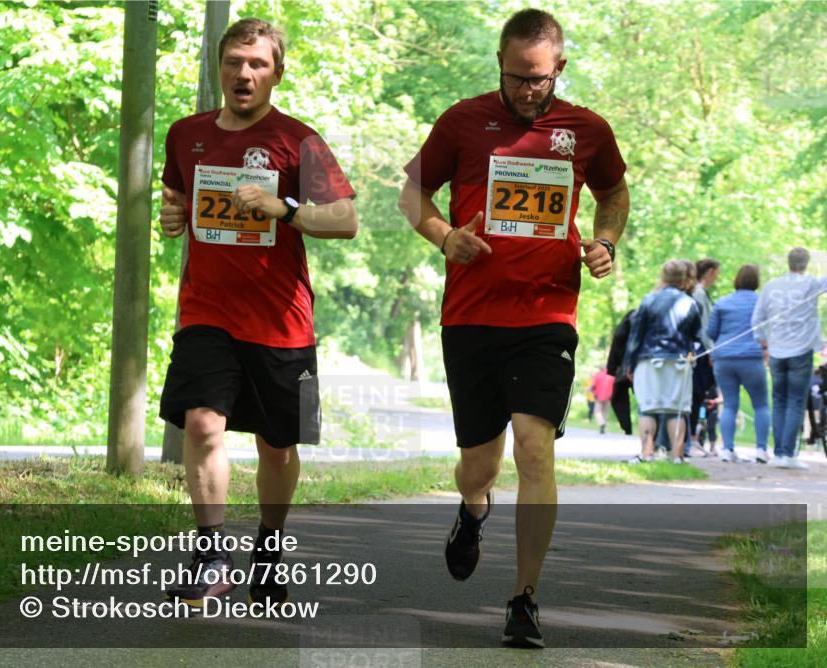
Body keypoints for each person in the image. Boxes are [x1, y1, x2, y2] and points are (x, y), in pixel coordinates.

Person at [398, 8, 629, 649]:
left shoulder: (587, 130)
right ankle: (474, 511)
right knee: (480, 465)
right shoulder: (463, 122)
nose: (528, 91)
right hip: (471, 316)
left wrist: (605, 239)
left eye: (539, 79)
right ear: (499, 66)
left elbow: (613, 194)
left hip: (546, 316)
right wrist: (446, 236)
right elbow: (411, 194)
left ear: (559, 68)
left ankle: (524, 598)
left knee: (535, 445)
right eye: (516, 78)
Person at [157, 18, 358, 609]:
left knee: (278, 445)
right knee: (201, 424)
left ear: (277, 72)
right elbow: (178, 201)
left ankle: (268, 550)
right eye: (234, 62)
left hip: (280, 319)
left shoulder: (299, 141)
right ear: (219, 67)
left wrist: (284, 207)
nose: (244, 74)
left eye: (258, 64)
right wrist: (172, 218)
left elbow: (344, 220)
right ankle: (211, 553)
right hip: (206, 311)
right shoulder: (185, 134)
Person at [753, 248, 827, 469]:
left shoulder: (771, 286)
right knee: (795, 401)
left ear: (788, 262)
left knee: (780, 401)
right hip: (801, 351)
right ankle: (787, 454)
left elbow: (757, 318)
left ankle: (779, 453)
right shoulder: (811, 284)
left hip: (776, 351)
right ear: (805, 263)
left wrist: (763, 342)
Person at [623, 260, 702, 464]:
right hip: (679, 361)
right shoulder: (690, 303)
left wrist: (628, 364)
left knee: (647, 407)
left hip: (649, 360)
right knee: (676, 409)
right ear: (684, 279)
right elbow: (696, 335)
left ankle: (646, 454)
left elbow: (636, 335)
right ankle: (677, 456)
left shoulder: (649, 300)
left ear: (663, 277)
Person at [707, 264, 769, 462]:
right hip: (752, 358)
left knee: (730, 404)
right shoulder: (761, 303)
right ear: (756, 281)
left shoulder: (722, 302)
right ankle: (761, 450)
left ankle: (727, 449)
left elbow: (711, 332)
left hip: (724, 359)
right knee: (760, 404)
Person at [688, 259, 719, 453]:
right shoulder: (699, 293)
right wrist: (711, 351)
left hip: (700, 349)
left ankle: (692, 438)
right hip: (701, 352)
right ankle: (690, 439)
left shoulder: (698, 292)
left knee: (698, 396)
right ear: (710, 272)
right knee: (696, 394)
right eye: (716, 272)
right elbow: (704, 326)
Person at [606, 309, 636, 435]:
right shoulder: (635, 317)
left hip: (624, 366)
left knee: (618, 396)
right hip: (633, 365)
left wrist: (612, 367)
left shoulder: (631, 317)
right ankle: (629, 428)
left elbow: (617, 338)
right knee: (645, 399)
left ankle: (627, 428)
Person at [590, 365, 614, 434]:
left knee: (597, 411)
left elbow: (593, 385)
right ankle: (603, 427)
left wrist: (592, 392)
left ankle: (601, 423)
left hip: (599, 396)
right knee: (605, 412)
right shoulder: (612, 376)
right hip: (609, 397)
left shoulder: (597, 375)